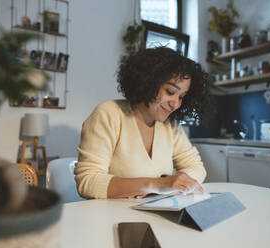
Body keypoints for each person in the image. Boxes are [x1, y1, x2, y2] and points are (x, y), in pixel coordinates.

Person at [75, 47, 210, 199]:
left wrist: (172, 184)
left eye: (181, 97)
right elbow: (87, 182)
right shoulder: (109, 114)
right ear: (149, 83)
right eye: (170, 92)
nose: (175, 104)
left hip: (156, 215)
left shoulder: (170, 126)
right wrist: (158, 184)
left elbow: (197, 168)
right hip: (112, 218)